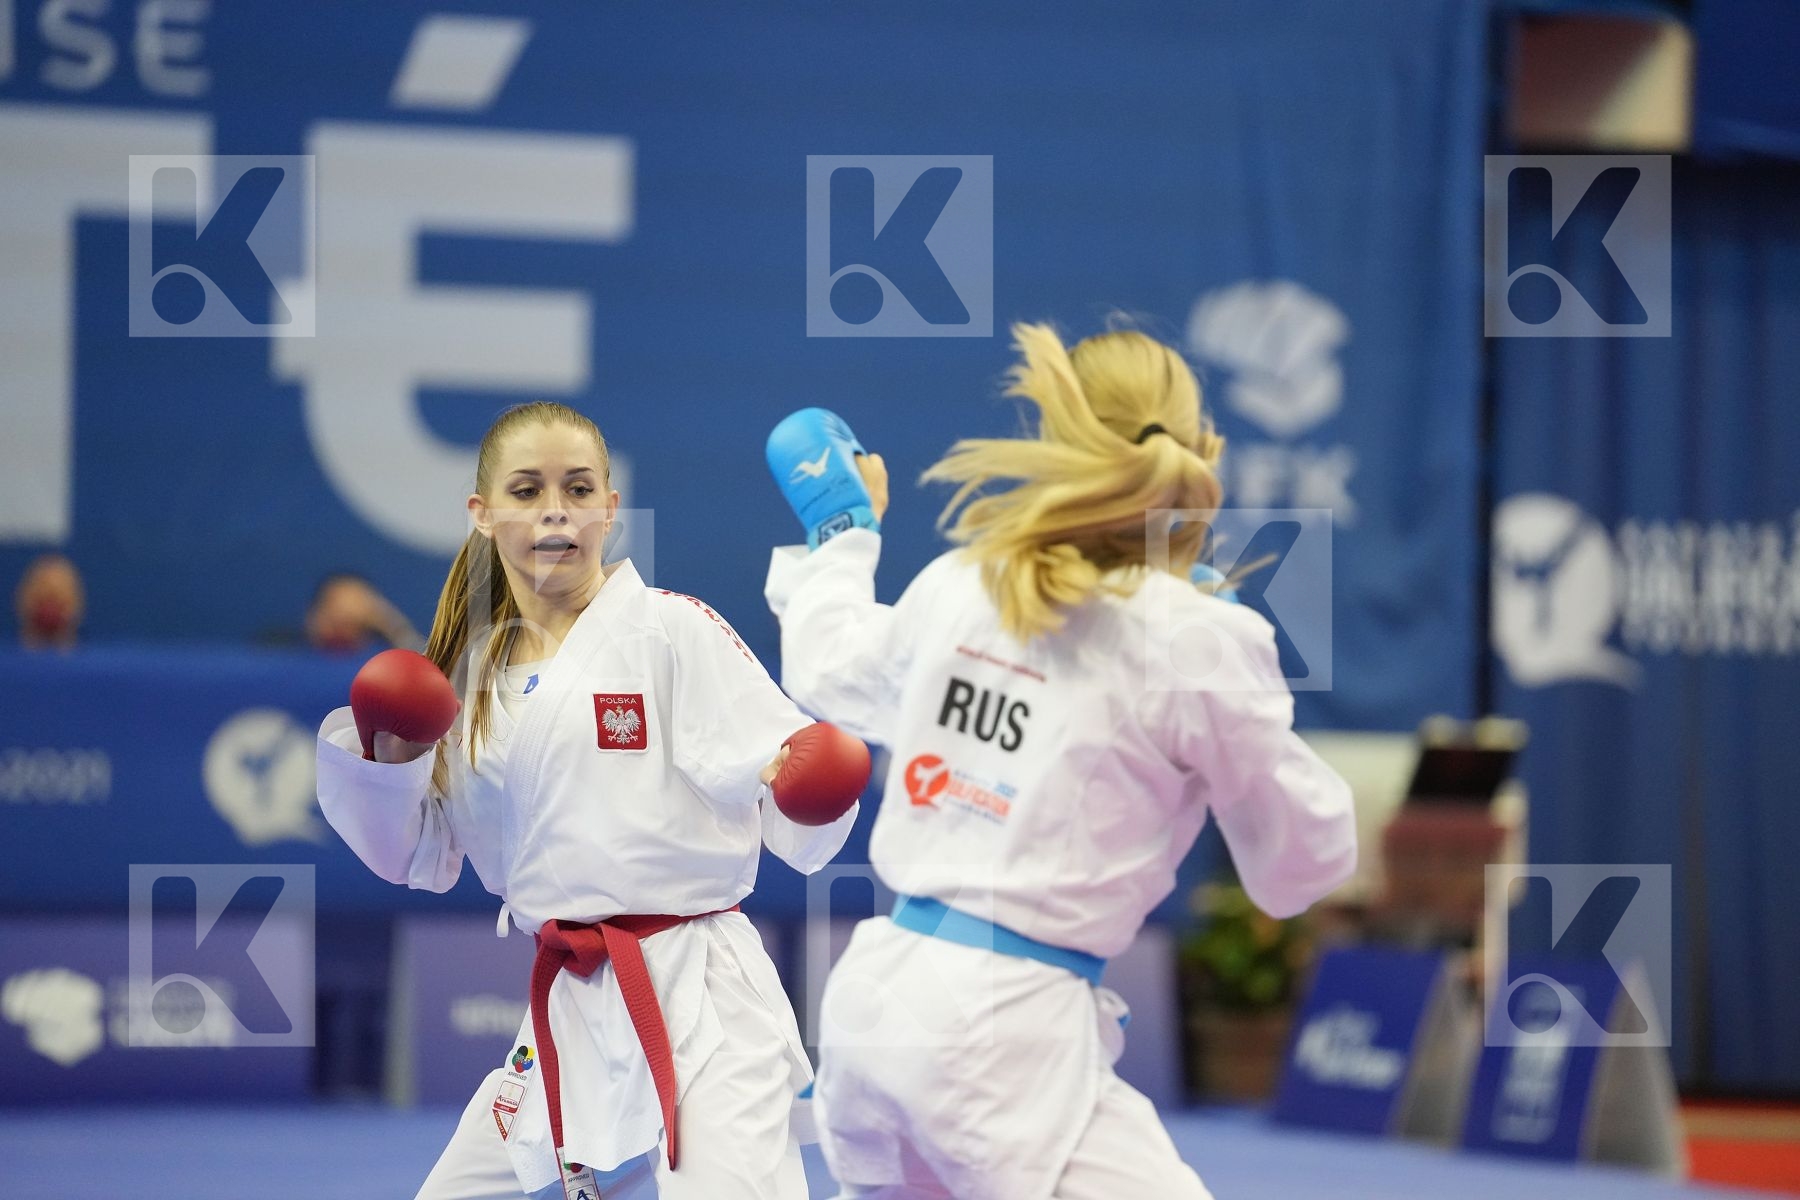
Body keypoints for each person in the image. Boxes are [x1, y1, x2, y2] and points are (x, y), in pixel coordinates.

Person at [763, 325, 1358, 1200]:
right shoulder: (1196, 636)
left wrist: (842, 535)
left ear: (1058, 448)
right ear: (1202, 453)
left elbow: (832, 671)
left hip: (875, 1009)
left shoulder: (969, 580)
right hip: (1001, 1038)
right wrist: (1246, 705)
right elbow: (1299, 868)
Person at [315, 401, 868, 1200]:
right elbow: (417, 855)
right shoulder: (469, 680)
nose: (555, 511)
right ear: (482, 515)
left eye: (578, 489)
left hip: (702, 1000)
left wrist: (803, 781)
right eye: (528, 489)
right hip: (569, 1009)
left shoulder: (672, 632)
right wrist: (391, 756)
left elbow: (791, 791)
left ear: (610, 508)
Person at [306, 571, 425, 654]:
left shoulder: (382, 667)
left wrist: (392, 625)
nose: (342, 615)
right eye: (332, 603)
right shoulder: (292, 663)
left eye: (355, 603)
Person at [14, 554, 84, 651]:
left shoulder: (67, 582)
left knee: (66, 643)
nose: (51, 576)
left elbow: (74, 606)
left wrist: (61, 616)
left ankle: (65, 660)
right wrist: (37, 615)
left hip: (62, 622)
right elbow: (25, 603)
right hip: (36, 621)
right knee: (30, 642)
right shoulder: (34, 582)